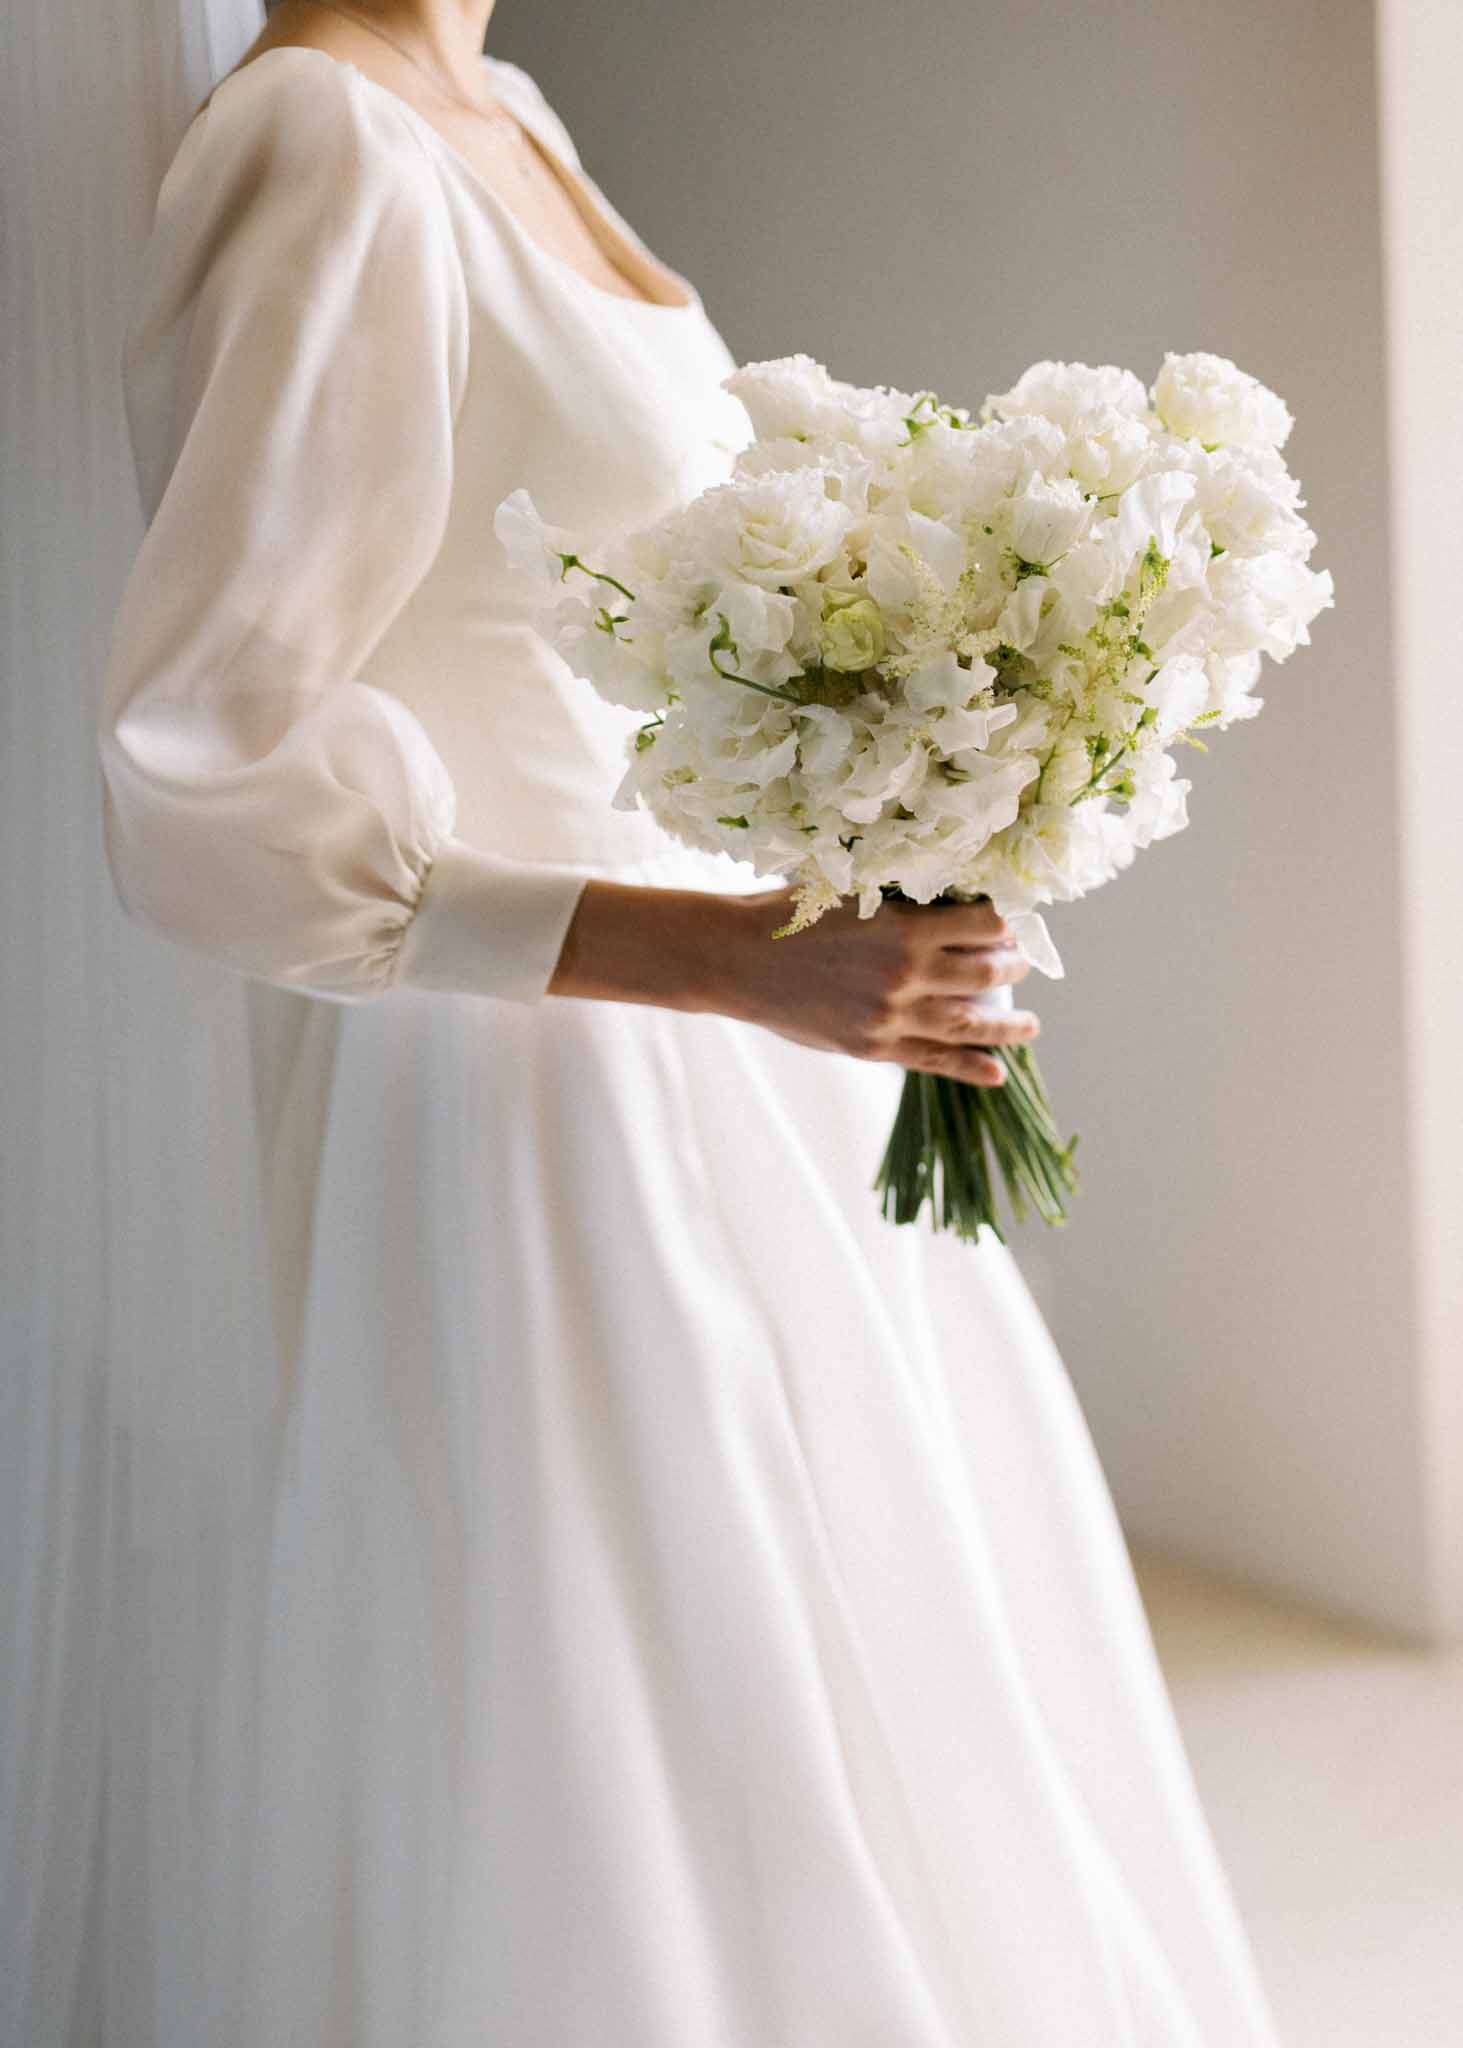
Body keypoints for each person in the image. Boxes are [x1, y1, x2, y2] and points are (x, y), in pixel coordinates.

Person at [98, 3, 1282, 2040]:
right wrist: (736, 959)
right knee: (652, 1751)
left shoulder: (500, 102)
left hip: (748, 1049)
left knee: (888, 1680)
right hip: (533, 1112)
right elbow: (206, 777)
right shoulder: (324, 140)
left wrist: (908, 781)